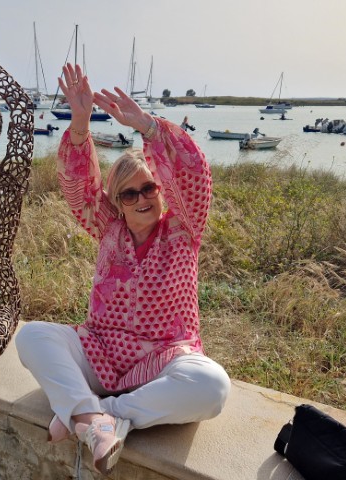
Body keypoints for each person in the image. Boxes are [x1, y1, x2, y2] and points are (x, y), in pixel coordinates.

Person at [16, 63, 230, 475]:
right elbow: (77, 187)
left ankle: (96, 415)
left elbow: (195, 176)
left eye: (149, 188)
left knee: (213, 388)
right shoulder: (107, 227)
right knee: (33, 336)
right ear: (116, 202)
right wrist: (80, 123)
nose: (141, 199)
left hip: (165, 359)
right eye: (128, 194)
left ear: (161, 190)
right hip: (100, 352)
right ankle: (94, 416)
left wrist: (148, 127)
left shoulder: (184, 228)